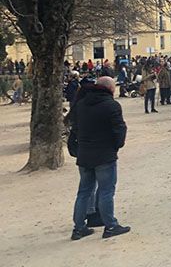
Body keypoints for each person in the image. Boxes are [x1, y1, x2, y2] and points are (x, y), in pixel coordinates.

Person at [70, 76, 131, 240]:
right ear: (110, 89)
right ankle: (110, 225)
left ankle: (79, 228)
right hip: (104, 154)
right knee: (106, 191)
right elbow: (119, 130)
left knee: (83, 192)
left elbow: (74, 127)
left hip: (84, 153)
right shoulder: (111, 105)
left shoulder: (81, 104)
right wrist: (116, 146)